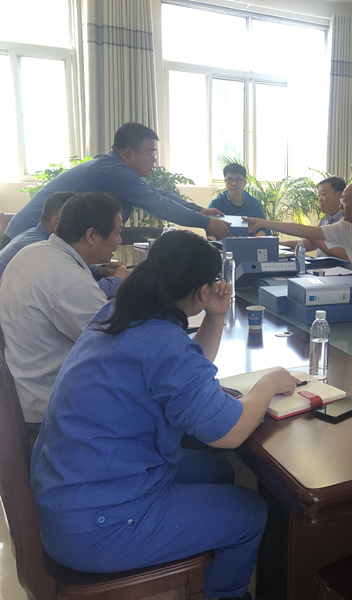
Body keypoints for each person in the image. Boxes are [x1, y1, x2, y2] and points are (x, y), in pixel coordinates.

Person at [30, 230, 298, 600]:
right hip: (98, 525)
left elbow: (182, 371)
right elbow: (231, 432)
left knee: (219, 471)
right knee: (250, 513)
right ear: (202, 291)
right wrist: (268, 383)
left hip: (73, 490)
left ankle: (202, 562)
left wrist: (216, 316)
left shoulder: (121, 312)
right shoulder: (163, 343)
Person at [0, 192, 127, 426]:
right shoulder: (71, 282)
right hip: (48, 406)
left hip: (22, 387)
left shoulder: (33, 251)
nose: (119, 240)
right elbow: (117, 348)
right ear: (91, 235)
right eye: (117, 232)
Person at [1, 122, 231, 247]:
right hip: (29, 240)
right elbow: (159, 205)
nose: (154, 160)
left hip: (35, 238)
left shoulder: (114, 167)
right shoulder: (114, 172)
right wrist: (207, 223)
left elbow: (157, 193)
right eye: (150, 152)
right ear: (129, 152)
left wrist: (200, 211)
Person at [246, 182, 352, 284]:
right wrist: (264, 223)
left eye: (344, 201)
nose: (340, 205)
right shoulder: (344, 227)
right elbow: (306, 231)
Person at [0, 191, 127, 297]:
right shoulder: (39, 247)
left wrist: (101, 271)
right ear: (57, 222)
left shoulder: (42, 244)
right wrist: (118, 281)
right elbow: (79, 292)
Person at [209, 163, 270, 236]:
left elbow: (265, 228)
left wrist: (254, 240)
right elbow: (209, 228)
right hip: (222, 242)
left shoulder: (254, 204)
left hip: (251, 242)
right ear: (225, 181)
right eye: (230, 180)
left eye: (238, 179)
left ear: (245, 182)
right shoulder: (216, 204)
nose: (234, 183)